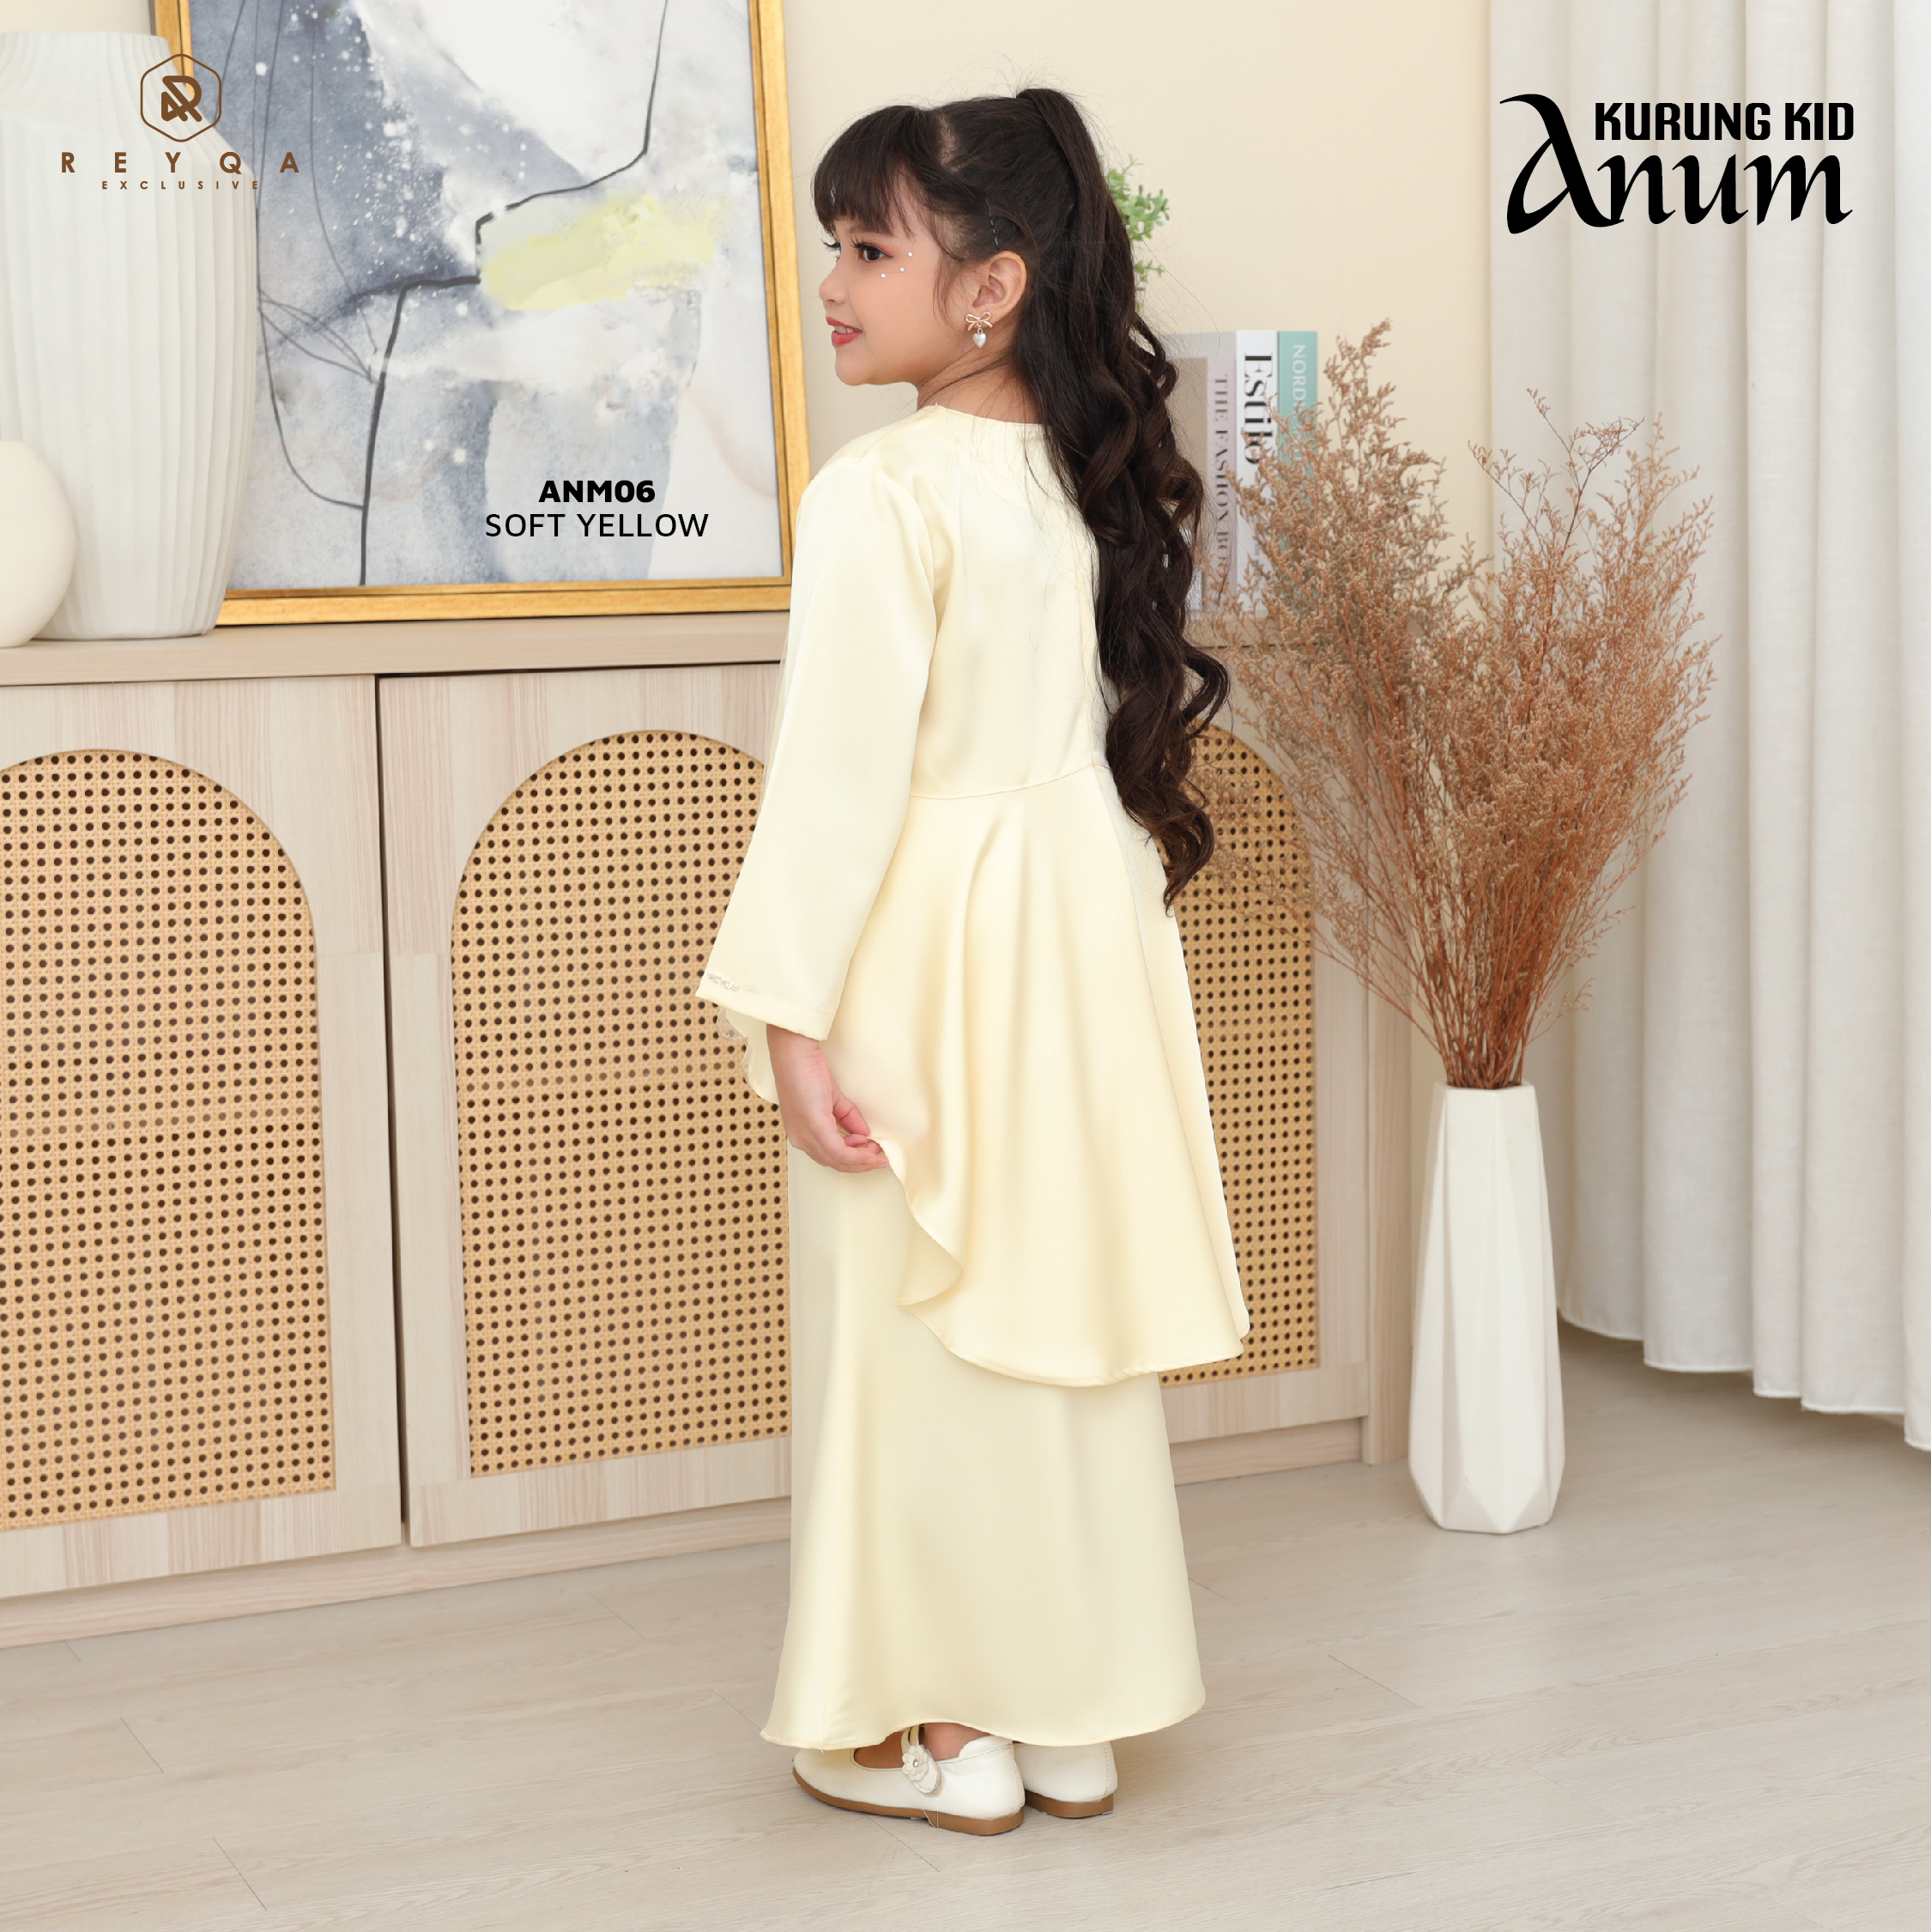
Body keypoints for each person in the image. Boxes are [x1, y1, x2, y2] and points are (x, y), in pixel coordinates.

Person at [695, 87, 1248, 1837]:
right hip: (1077, 937)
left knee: (911, 1343)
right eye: (835, 246)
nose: (834, 283)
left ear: (994, 285)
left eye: (871, 248)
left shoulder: (878, 494)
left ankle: (943, 1727)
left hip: (926, 947)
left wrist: (786, 1018)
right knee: (1053, 1325)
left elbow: (837, 787)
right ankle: (1069, 1714)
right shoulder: (1072, 487)